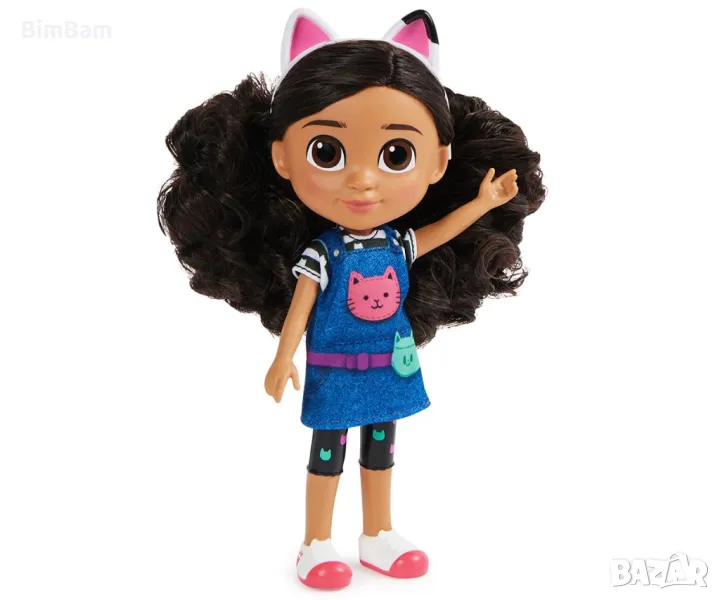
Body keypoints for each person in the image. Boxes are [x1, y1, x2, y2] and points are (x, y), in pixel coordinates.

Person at [158, 8, 545, 589]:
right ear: (282, 156)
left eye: (396, 155)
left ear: (438, 161)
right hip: (335, 371)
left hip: (391, 366)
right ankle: (315, 542)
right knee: (328, 454)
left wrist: (484, 202)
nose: (363, 180)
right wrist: (283, 356)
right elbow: (301, 306)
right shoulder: (325, 253)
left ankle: (378, 533)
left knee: (382, 449)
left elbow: (441, 233)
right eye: (327, 152)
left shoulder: (397, 243)